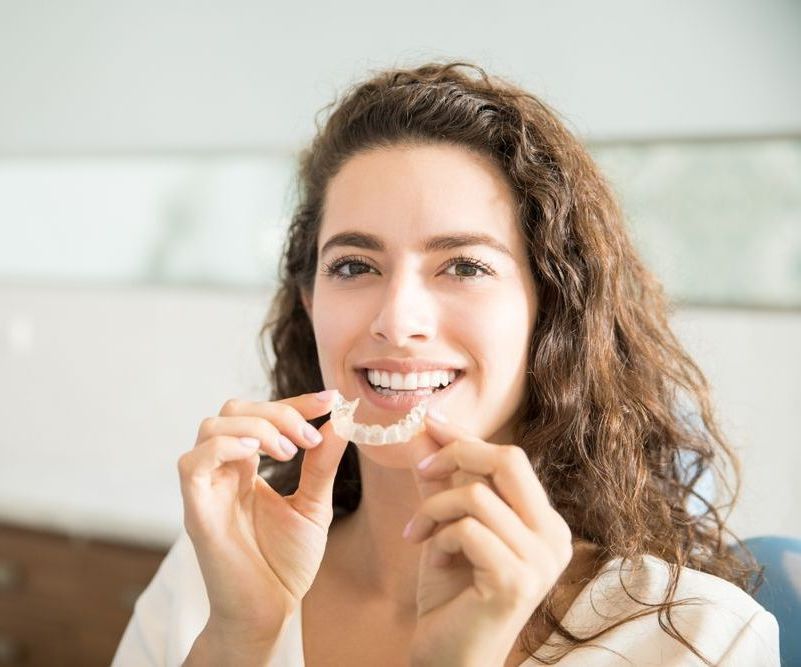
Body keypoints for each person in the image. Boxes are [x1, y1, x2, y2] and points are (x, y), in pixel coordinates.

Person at [112, 61, 780, 666]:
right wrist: (236, 639)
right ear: (309, 302)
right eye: (353, 265)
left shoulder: (696, 639)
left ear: (550, 310)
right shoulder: (212, 578)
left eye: (463, 265)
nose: (397, 320)